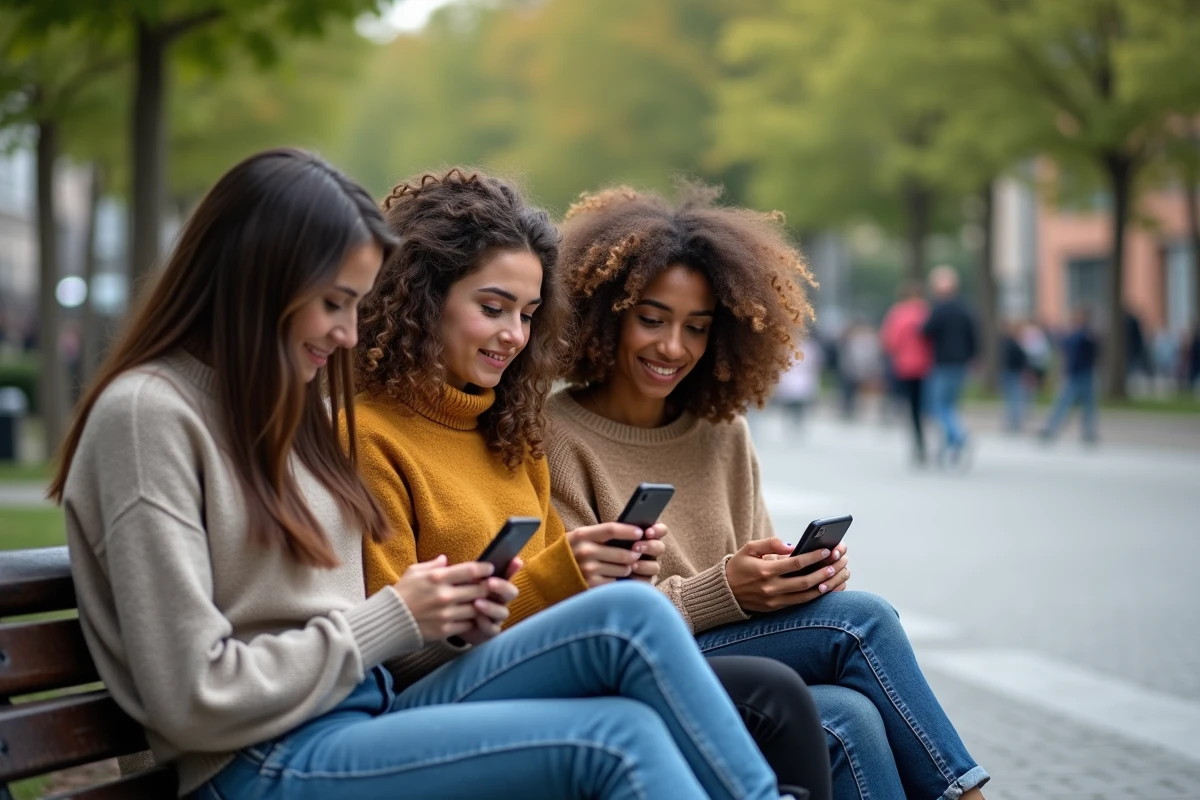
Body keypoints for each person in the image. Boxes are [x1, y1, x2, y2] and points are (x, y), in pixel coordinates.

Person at [49, 150, 798, 800]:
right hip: (261, 762)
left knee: (634, 632)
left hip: (356, 715)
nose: (350, 331)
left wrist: (448, 614)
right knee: (619, 736)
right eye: (336, 303)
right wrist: (400, 615)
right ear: (259, 281)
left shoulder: (283, 408)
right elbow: (191, 698)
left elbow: (363, 633)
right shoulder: (148, 416)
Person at [351, 168, 830, 799]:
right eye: (492, 309)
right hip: (424, 701)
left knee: (844, 698)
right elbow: (391, 657)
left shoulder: (510, 431)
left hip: (534, 668)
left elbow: (566, 607)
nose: (513, 336)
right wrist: (564, 577)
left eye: (526, 314)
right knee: (777, 685)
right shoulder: (367, 436)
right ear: (422, 297)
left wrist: (612, 567)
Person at [547, 183, 990, 800]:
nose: (673, 347)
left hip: (740, 658)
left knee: (848, 716)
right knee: (863, 623)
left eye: (697, 328)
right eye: (652, 319)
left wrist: (798, 576)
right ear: (605, 314)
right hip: (634, 668)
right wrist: (722, 589)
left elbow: (756, 565)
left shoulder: (722, 433)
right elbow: (578, 619)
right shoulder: (556, 437)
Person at [922, 265, 977, 465]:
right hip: (961, 363)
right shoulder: (965, 308)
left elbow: (925, 331)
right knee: (951, 405)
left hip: (943, 362)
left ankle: (958, 436)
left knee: (938, 406)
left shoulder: (939, 308)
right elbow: (973, 336)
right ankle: (947, 449)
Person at [880, 282, 933, 462]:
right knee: (927, 404)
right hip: (929, 366)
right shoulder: (927, 311)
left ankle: (919, 444)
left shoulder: (898, 313)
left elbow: (889, 341)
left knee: (912, 407)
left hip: (906, 366)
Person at [1039, 306, 1100, 444]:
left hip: (1084, 374)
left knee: (1087, 405)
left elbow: (1093, 352)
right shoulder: (1074, 335)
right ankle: (1051, 428)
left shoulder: (1087, 335)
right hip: (1074, 374)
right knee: (1064, 402)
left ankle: (1088, 432)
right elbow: (1063, 349)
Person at [999, 319, 1030, 432]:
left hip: (1010, 373)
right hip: (1013, 373)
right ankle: (1014, 423)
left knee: (1012, 399)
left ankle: (1012, 423)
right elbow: (1020, 359)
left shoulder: (1008, 342)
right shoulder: (1013, 344)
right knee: (1015, 399)